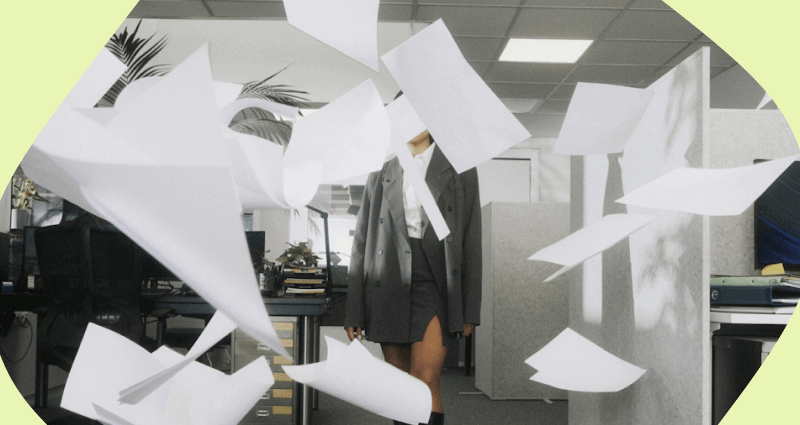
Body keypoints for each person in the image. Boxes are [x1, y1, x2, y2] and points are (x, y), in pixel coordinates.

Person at [344, 123, 482, 425]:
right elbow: (362, 240)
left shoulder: (459, 165)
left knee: (427, 379)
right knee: (400, 386)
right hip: (389, 280)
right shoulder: (382, 167)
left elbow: (471, 237)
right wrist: (354, 308)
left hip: (437, 283)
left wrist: (470, 306)